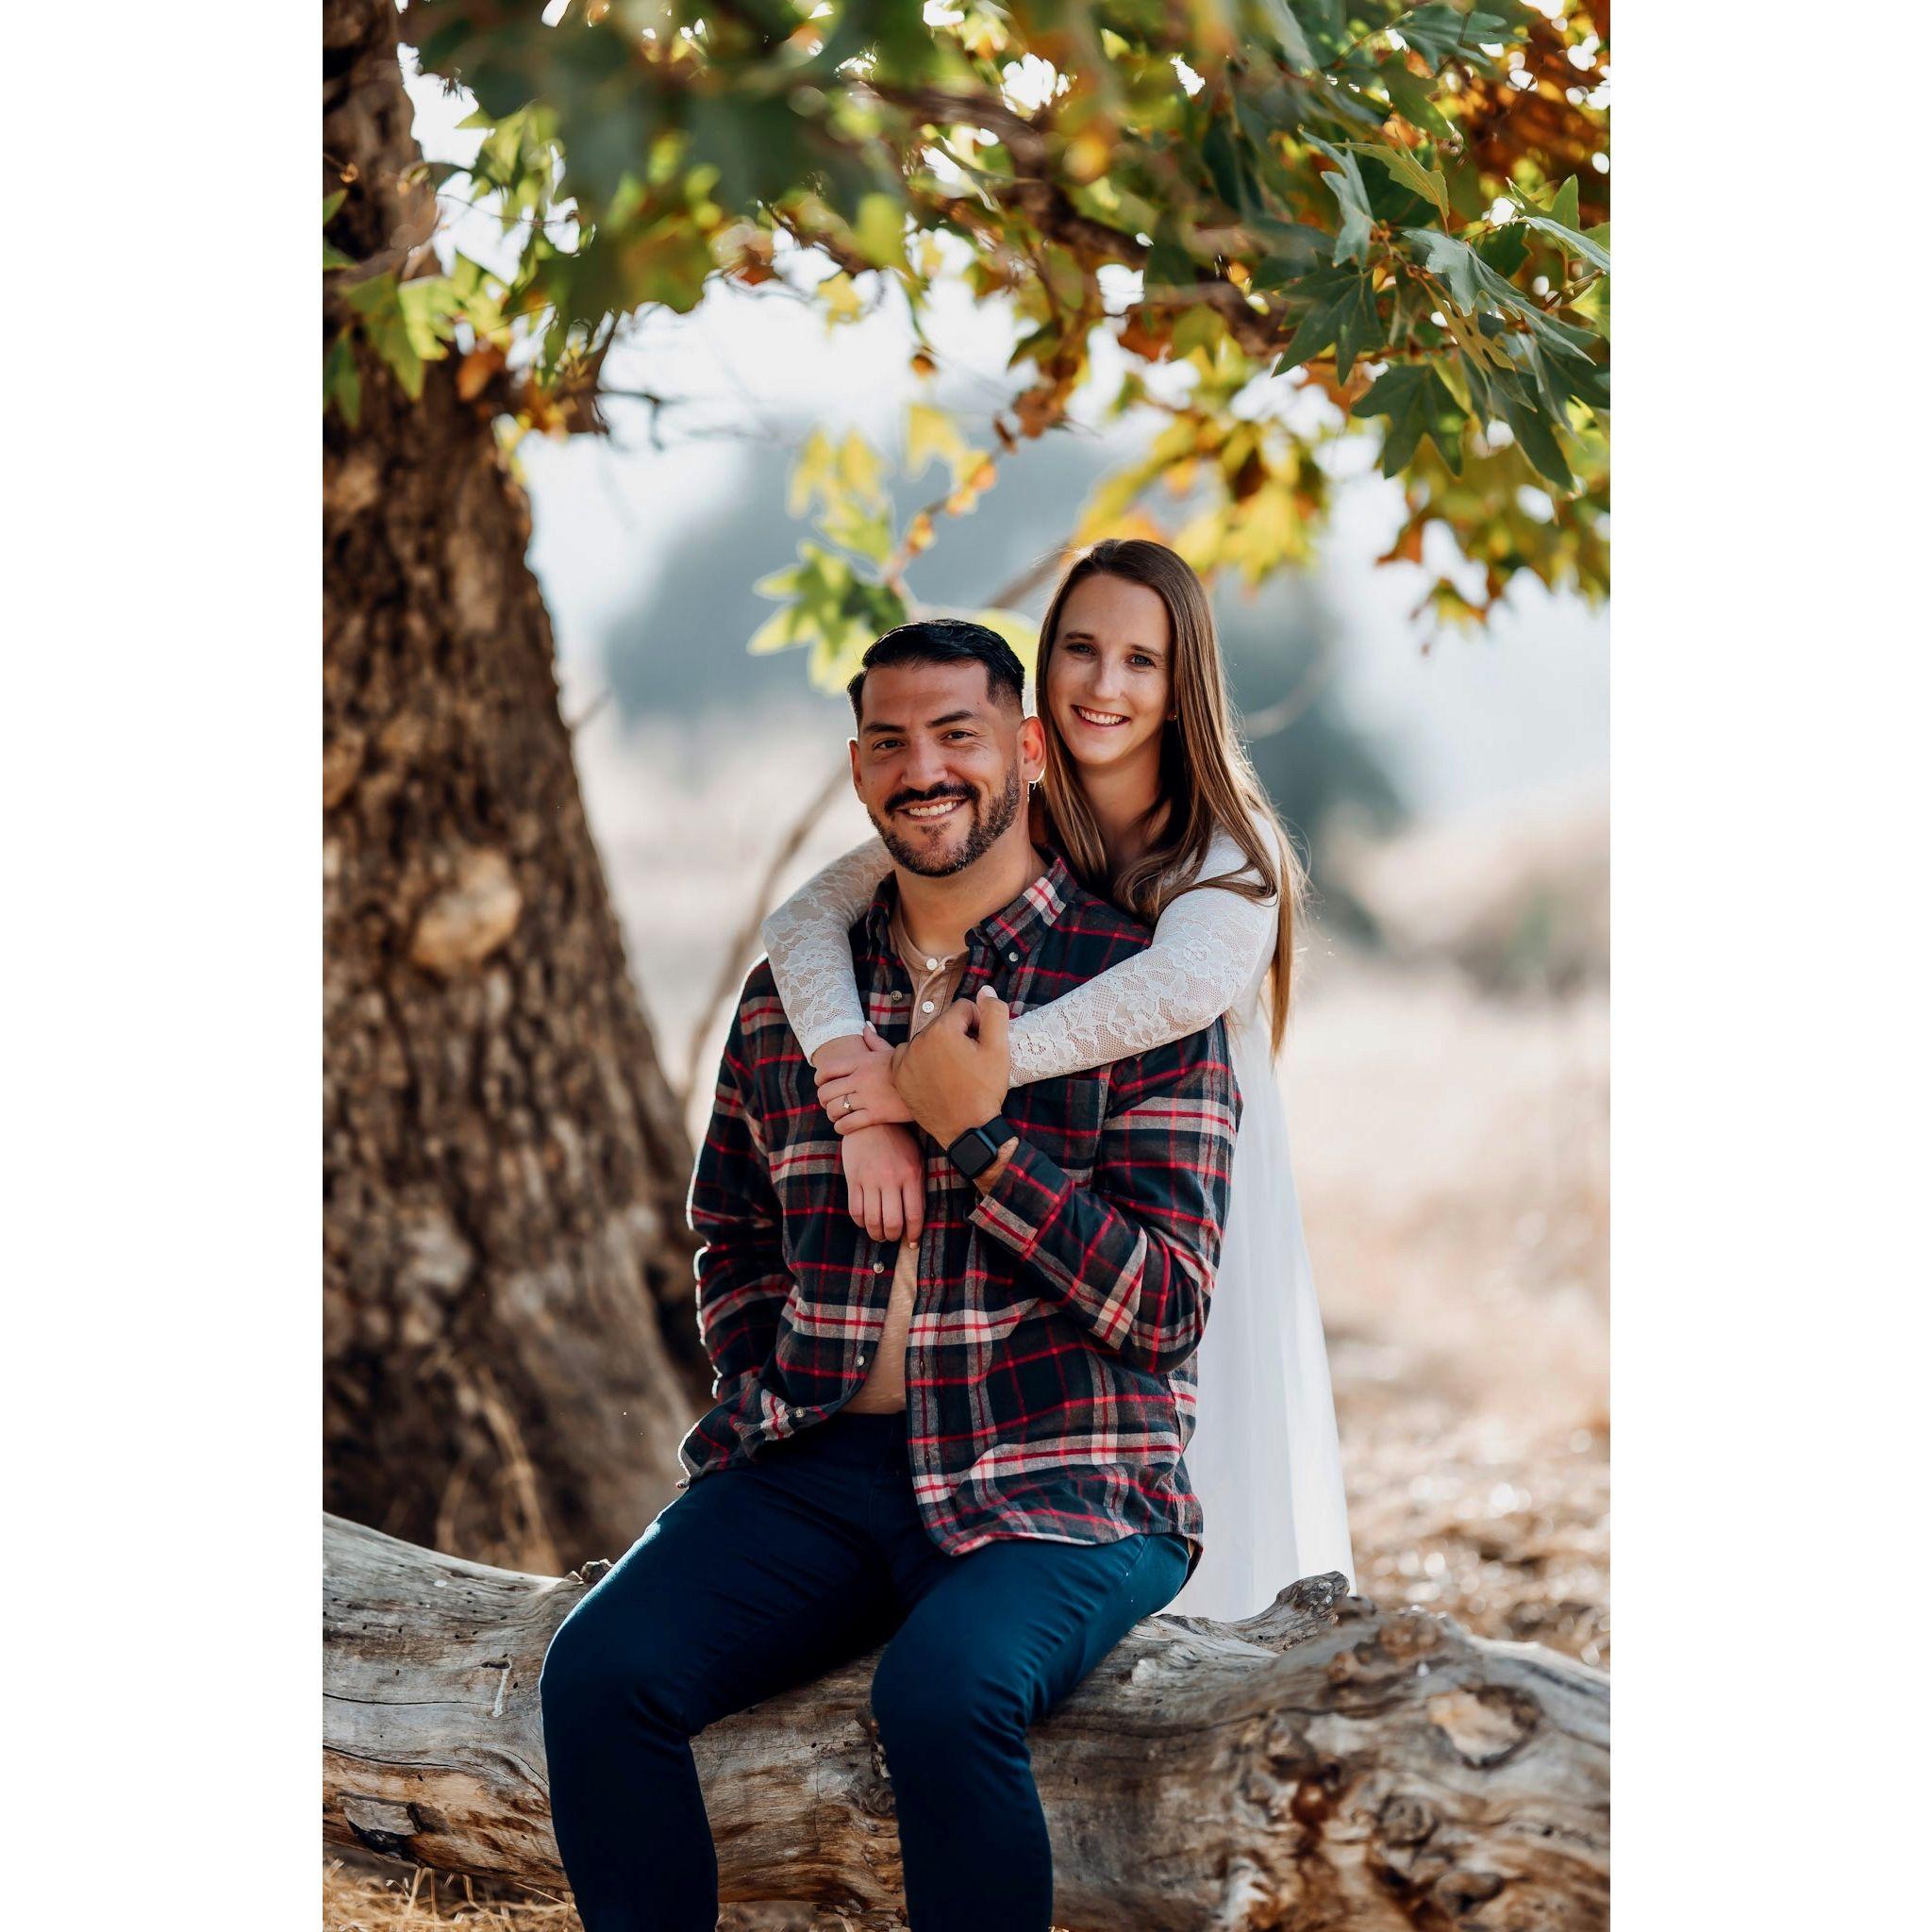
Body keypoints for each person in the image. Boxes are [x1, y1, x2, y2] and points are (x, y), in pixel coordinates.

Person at [539, 618, 1241, 1932]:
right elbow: (730, 1227)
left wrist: (974, 1138)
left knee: (941, 1691)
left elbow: (1164, 1306)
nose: (924, 770)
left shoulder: (1134, 991)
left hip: (1065, 1472)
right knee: (597, 1674)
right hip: (817, 1465)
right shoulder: (794, 998)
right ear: (858, 767)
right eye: (889, 742)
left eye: (957, 735)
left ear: (1027, 751)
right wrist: (768, 1376)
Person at [761, 539, 1355, 1621]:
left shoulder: (1229, 853)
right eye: (1080, 648)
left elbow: (1167, 994)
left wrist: (942, 1083)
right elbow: (803, 918)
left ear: (1181, 685)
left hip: (1179, 1198)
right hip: (1039, 1192)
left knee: (1207, 1468)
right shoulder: (1009, 806)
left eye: (1140, 659)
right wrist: (853, 1083)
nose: (1103, 682)